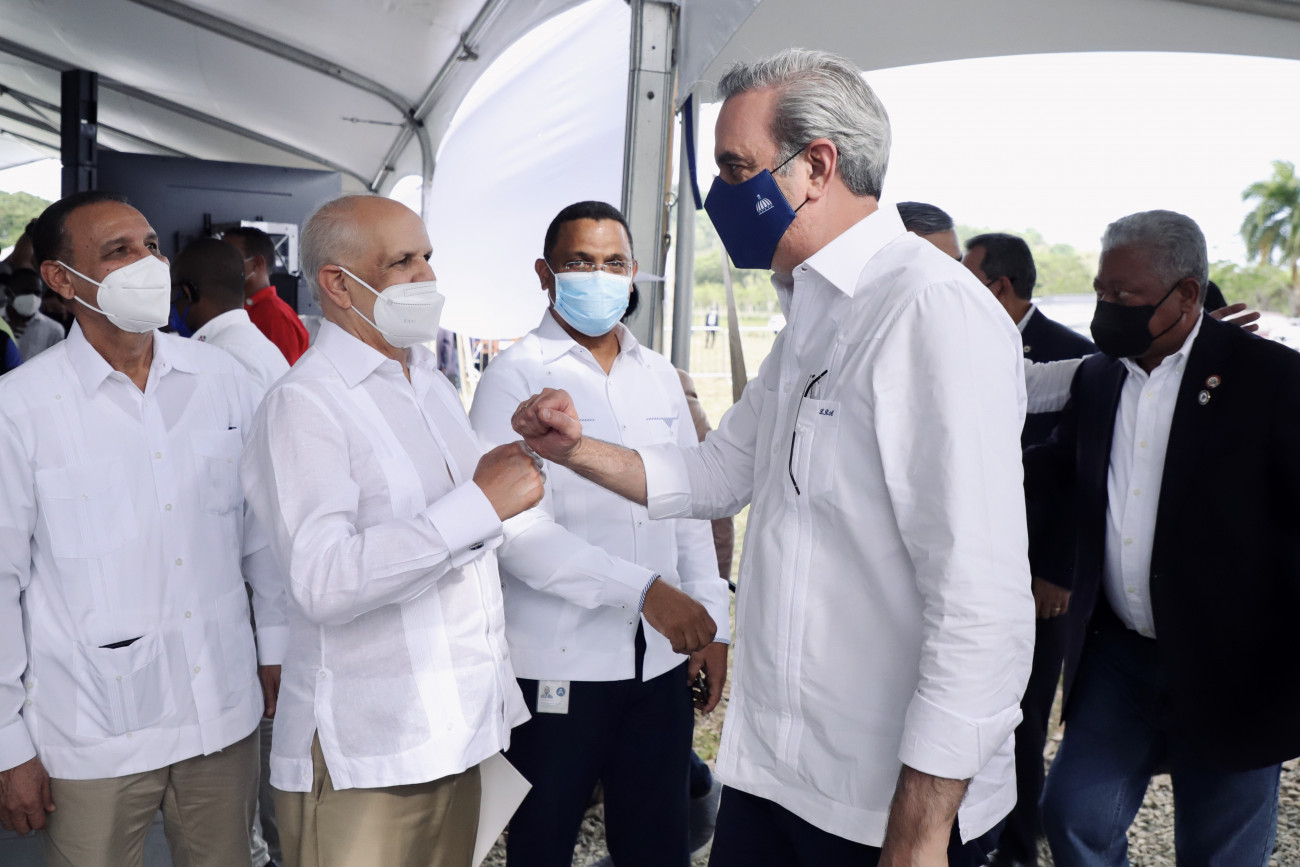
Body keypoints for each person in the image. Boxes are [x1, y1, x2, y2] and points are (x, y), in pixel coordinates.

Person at [513, 48, 1034, 867]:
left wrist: (921, 827)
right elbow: (716, 474)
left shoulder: (929, 311)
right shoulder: (812, 321)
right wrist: (575, 449)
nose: (720, 196)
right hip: (778, 773)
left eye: (735, 168)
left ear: (816, 167)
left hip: (878, 803)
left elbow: (983, 601)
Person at [239, 194, 716, 867]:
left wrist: (527, 454)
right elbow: (325, 578)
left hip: (457, 733)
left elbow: (502, 510)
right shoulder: (305, 402)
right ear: (339, 285)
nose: (427, 276)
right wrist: (490, 505)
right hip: (372, 748)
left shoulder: (428, 387)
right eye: (402, 262)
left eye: (427, 257)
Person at [0, 191, 287, 866]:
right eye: (118, 251)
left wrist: (275, 643)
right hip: (91, 729)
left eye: (151, 246)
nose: (148, 263)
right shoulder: (21, 409)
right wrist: (8, 743)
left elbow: (263, 534)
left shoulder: (224, 381)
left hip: (220, 710)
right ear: (62, 279)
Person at [1026, 209, 1300, 866]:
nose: (1105, 307)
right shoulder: (1101, 376)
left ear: (1186, 294)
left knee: (1219, 850)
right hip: (1120, 657)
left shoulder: (1270, 378)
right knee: (1073, 815)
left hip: (1233, 667)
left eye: (1124, 295)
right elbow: (1055, 472)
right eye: (1100, 290)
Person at [468, 201, 730, 867]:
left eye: (614, 263)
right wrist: (644, 591)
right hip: (558, 664)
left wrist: (713, 621)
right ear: (545, 273)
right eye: (580, 262)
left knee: (657, 843)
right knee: (543, 842)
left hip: (658, 662)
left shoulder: (660, 375)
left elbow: (688, 504)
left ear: (634, 271)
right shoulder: (514, 376)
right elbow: (514, 530)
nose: (599, 276)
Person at [961, 233, 1094, 867]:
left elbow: (1076, 475)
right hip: (970, 563)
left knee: (1024, 714)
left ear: (1001, 287)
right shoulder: (961, 340)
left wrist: (1058, 572)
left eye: (968, 277)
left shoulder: (1074, 355)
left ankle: (1016, 850)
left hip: (1038, 575)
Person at [170, 237, 289, 396]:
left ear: (188, 294)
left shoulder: (223, 355)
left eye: (173, 297)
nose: (171, 307)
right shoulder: (250, 343)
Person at [221, 227, 309, 365]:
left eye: (229, 258)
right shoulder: (241, 310)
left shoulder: (275, 318)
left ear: (257, 264)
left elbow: (282, 374)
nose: (221, 265)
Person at [4, 268, 65, 361]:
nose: (32, 297)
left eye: (37, 293)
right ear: (8, 293)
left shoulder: (54, 330)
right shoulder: (2, 323)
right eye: (25, 292)